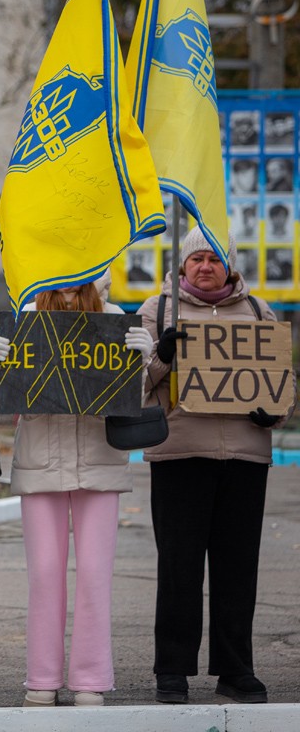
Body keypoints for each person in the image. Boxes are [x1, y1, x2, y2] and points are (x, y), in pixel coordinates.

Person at [137, 228, 295, 705]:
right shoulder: (155, 311)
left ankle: (236, 669)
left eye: (215, 259)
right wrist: (161, 357)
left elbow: (282, 381)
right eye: (197, 259)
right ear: (183, 267)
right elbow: (131, 387)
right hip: (180, 453)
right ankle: (172, 670)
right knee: (178, 569)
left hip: (246, 458)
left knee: (237, 569)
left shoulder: (258, 311)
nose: (206, 266)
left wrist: (277, 411)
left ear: (230, 266)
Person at [0, 281, 154, 707]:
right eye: (63, 285)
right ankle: (42, 677)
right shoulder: (26, 321)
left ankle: (90, 678)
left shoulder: (117, 320)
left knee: (96, 574)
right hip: (41, 459)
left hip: (100, 459)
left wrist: (144, 361)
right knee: (43, 572)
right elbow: (4, 393)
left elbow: (140, 397)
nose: (70, 294)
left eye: (80, 285)